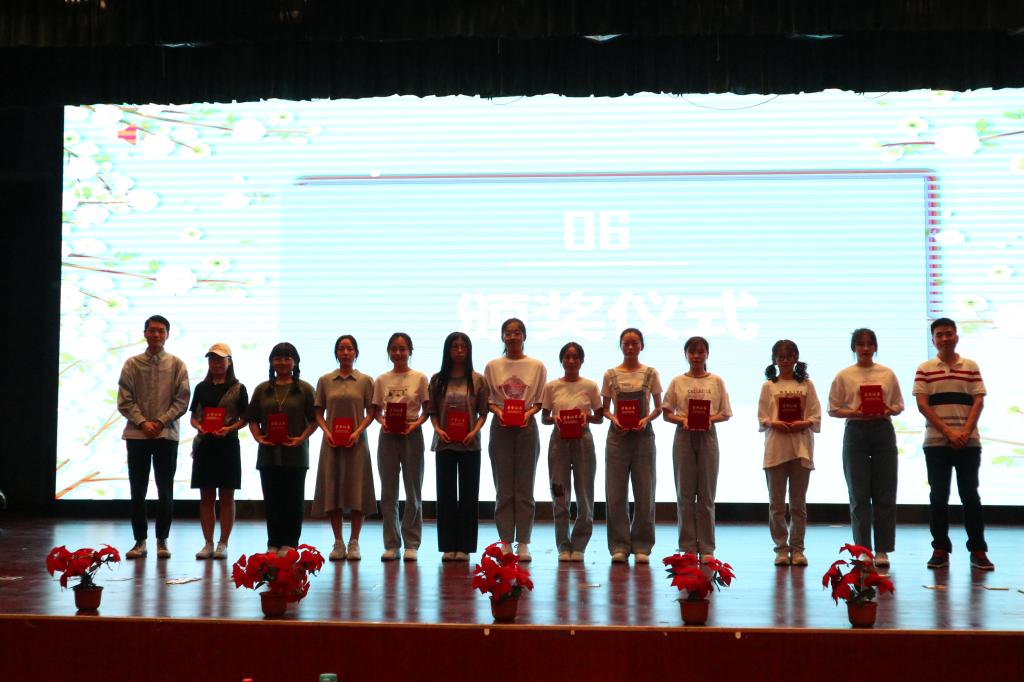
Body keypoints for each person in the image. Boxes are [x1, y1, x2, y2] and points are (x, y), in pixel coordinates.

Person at [913, 318, 993, 571]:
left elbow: (978, 401)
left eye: (949, 333)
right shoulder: (925, 368)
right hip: (936, 443)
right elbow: (922, 404)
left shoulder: (970, 366)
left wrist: (964, 432)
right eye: (939, 334)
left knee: (970, 496)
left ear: (956, 336)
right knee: (938, 497)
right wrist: (948, 432)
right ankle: (940, 549)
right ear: (933, 339)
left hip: (969, 443)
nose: (945, 338)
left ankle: (978, 550)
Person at [827, 328, 904, 568]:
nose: (866, 348)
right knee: (858, 494)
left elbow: (898, 405)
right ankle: (863, 549)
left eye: (870, 344)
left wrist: (886, 409)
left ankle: (882, 550)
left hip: (883, 430)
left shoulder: (887, 373)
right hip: (856, 431)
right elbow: (833, 409)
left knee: (885, 493)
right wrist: (855, 412)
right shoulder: (844, 375)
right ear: (854, 348)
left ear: (875, 347)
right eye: (860, 344)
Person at [117, 315, 190, 559]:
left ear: (167, 335)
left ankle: (162, 540)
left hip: (165, 434)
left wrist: (159, 422)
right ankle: (139, 541)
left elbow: (182, 400)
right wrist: (142, 422)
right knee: (137, 489)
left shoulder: (177, 364)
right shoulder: (132, 364)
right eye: (152, 330)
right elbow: (124, 399)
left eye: (161, 331)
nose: (156, 334)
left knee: (165, 489)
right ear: (145, 333)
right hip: (137, 434)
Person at [662, 336, 732, 562]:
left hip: (707, 436)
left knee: (706, 494)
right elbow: (667, 413)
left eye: (700, 352)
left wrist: (709, 419)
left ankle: (707, 547)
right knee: (684, 494)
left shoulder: (716, 381)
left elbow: (725, 413)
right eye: (692, 352)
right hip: (684, 436)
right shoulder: (677, 381)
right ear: (686, 355)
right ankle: (688, 547)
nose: (696, 356)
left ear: (707, 354)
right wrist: (682, 420)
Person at [484, 318, 547, 561]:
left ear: (524, 336)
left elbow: (539, 401)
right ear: (502, 337)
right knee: (503, 487)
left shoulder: (536, 365)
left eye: (517, 332)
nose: (512, 337)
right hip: (500, 427)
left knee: (524, 487)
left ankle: (523, 543)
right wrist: (500, 412)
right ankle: (505, 542)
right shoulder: (493, 366)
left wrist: (526, 414)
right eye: (508, 333)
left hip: (526, 427)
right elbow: (489, 400)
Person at [247, 342, 317, 554]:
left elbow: (315, 420)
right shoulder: (262, 389)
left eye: (287, 358)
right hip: (268, 454)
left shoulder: (305, 389)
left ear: (295, 362)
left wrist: (301, 438)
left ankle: (290, 543)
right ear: (271, 362)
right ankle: (273, 543)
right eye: (278, 358)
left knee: (293, 501)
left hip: (296, 453)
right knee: (272, 501)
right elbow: (252, 418)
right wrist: (258, 437)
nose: (283, 362)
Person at [312, 335, 377, 562]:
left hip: (357, 443)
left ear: (356, 353)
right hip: (331, 443)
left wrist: (357, 431)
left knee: (358, 491)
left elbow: (371, 412)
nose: (346, 352)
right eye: (341, 349)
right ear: (336, 353)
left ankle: (354, 541)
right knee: (333, 490)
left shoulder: (366, 381)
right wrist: (327, 432)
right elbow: (318, 412)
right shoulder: (325, 380)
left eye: (350, 349)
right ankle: (338, 542)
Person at [757, 339, 820, 567]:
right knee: (776, 505)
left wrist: (804, 423)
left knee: (798, 505)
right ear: (774, 360)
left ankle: (798, 549)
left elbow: (815, 415)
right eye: (780, 357)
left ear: (796, 358)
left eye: (789, 357)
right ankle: (781, 549)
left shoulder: (806, 385)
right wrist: (774, 423)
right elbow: (762, 417)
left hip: (800, 448)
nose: (785, 361)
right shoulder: (768, 386)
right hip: (775, 449)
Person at [602, 328, 662, 564]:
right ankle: (618, 545)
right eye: (626, 343)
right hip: (617, 437)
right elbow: (605, 408)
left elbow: (659, 407)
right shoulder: (610, 374)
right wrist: (614, 419)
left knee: (645, 492)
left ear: (641, 346)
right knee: (615, 493)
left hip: (643, 437)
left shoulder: (651, 373)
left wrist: (645, 420)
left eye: (634, 343)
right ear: (620, 345)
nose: (630, 347)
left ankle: (642, 546)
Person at [428, 332, 489, 561]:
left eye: (464, 346)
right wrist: (438, 429)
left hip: (469, 444)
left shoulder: (478, 379)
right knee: (445, 496)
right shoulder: (437, 380)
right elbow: (432, 412)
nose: (460, 350)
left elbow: (483, 413)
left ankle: (465, 547)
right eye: (455, 346)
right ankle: (448, 546)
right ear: (448, 350)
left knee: (468, 496)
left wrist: (474, 431)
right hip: (444, 443)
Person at [540, 342, 603, 562]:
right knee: (560, 494)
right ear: (561, 360)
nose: (571, 361)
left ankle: (579, 546)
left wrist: (587, 417)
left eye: (575, 357)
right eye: (567, 357)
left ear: (582, 361)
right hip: (559, 440)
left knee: (584, 494)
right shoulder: (551, 386)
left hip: (583, 439)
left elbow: (600, 417)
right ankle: (563, 546)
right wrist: (554, 419)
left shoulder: (590, 386)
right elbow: (544, 418)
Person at [372, 332, 429, 562]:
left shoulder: (420, 378)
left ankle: (411, 543)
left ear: (410, 351)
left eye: (402, 348)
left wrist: (414, 425)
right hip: (388, 435)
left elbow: (427, 411)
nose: (398, 353)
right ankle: (391, 544)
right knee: (388, 492)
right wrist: (383, 422)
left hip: (411, 433)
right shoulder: (381, 379)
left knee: (413, 490)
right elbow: (376, 411)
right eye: (394, 348)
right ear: (388, 352)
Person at [189, 343, 248, 560]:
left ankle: (223, 543)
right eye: (212, 359)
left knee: (226, 496)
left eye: (220, 359)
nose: (216, 363)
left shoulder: (238, 388)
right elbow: (193, 417)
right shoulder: (201, 387)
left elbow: (245, 418)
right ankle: (208, 543)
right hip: (205, 445)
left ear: (229, 362)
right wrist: (199, 427)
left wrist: (229, 429)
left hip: (228, 445)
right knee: (206, 496)